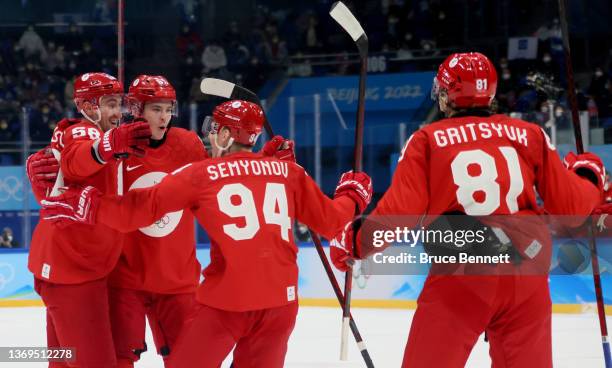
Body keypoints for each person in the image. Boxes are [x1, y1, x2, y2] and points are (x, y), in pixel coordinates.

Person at [40, 99, 373, 368]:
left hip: (226, 303)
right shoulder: (287, 171)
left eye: (216, 129)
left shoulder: (202, 175)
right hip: (280, 305)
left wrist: (90, 203)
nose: (211, 135)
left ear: (227, 134)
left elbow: (135, 212)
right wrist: (352, 195)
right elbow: (334, 223)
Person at [330, 52, 605, 368]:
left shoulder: (428, 140)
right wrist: (588, 175)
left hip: (462, 274)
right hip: (527, 277)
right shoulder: (530, 134)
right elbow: (573, 206)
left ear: (447, 94)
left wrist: (353, 242)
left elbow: (397, 214)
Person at [27, 72, 151, 368]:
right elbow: (80, 158)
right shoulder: (87, 133)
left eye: (118, 103)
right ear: (87, 106)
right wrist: (105, 147)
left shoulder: (88, 133)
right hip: (74, 274)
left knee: (62, 361)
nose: (117, 112)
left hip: (66, 268)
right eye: (110, 103)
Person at [107, 74, 208, 367]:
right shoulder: (116, 148)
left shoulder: (188, 145)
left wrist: (262, 160)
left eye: (168, 109)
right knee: (118, 358)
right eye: (155, 109)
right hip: (126, 279)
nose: (164, 117)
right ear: (137, 110)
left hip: (178, 280)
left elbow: (217, 183)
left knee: (190, 360)